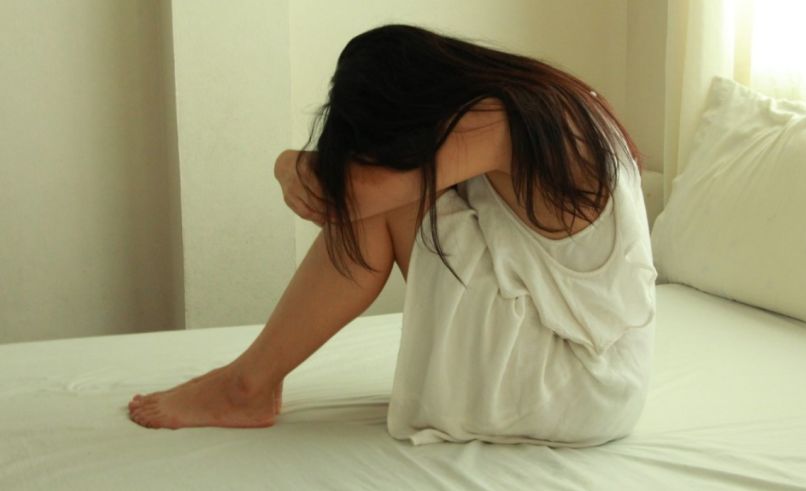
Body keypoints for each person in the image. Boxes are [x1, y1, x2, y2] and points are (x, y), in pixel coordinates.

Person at [128, 24, 656, 447]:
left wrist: (286, 163)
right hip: (603, 383)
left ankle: (246, 385)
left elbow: (350, 199)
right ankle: (248, 381)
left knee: (382, 207)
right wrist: (295, 166)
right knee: (393, 198)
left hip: (573, 389)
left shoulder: (499, 121)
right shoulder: (540, 100)